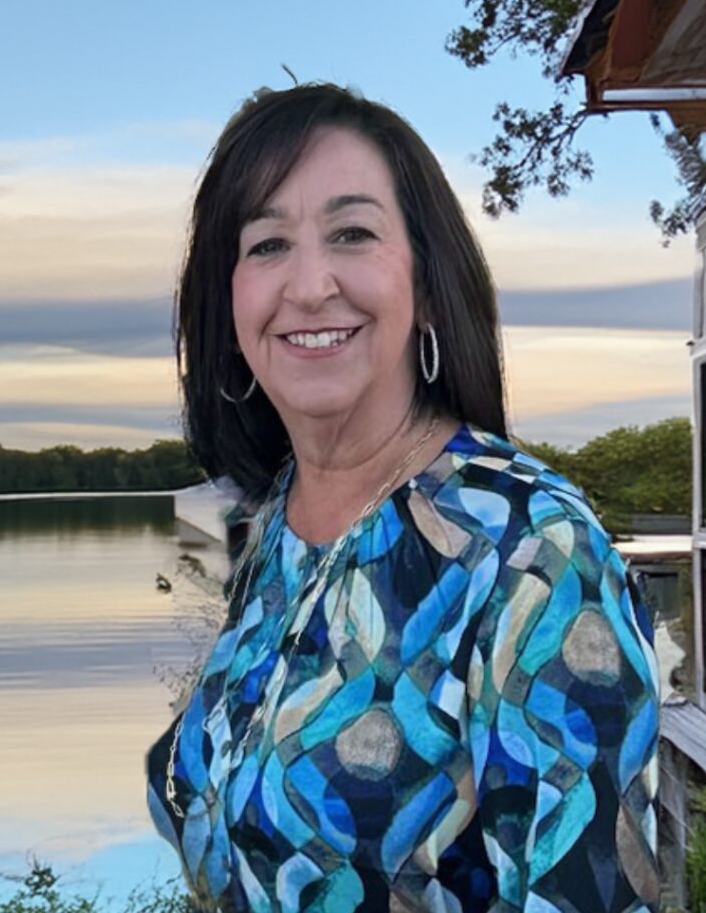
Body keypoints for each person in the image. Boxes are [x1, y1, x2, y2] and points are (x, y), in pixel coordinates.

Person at [147, 83, 660, 912]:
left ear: (425, 281)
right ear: (228, 299)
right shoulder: (275, 523)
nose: (310, 286)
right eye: (267, 245)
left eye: (352, 233)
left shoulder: (532, 551)